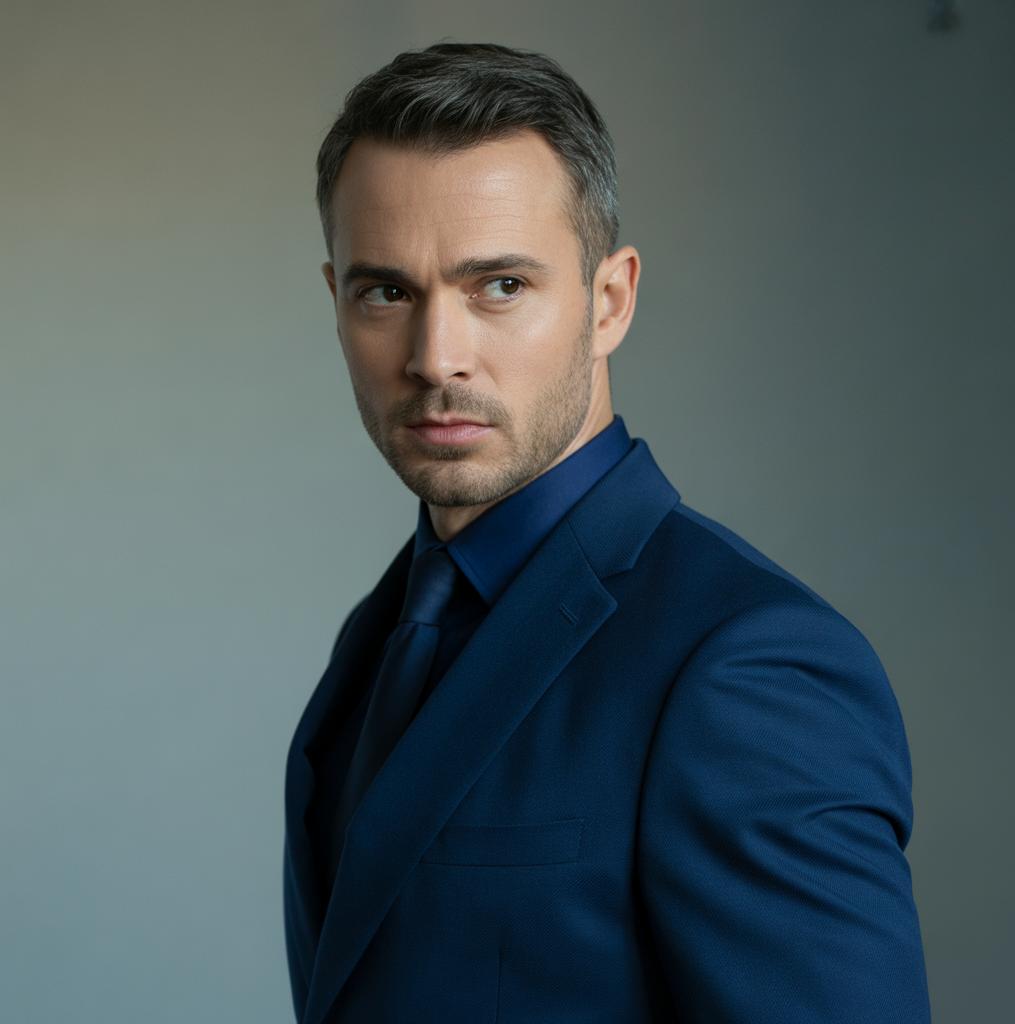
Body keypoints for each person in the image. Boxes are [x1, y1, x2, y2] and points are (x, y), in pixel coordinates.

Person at [282, 42, 930, 1024]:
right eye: (388, 292)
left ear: (609, 302)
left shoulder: (748, 670)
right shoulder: (380, 636)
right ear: (337, 302)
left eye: (500, 285)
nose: (436, 357)